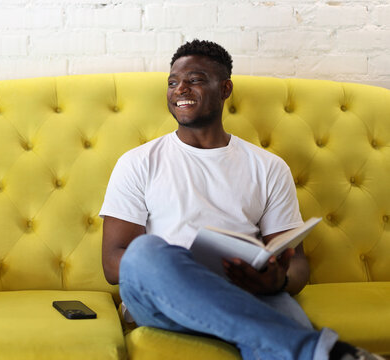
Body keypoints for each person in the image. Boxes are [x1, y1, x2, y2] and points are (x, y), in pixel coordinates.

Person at [99, 40, 382, 360]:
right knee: (144, 252)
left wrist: (280, 279)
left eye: (194, 80)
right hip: (167, 297)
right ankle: (317, 350)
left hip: (251, 292)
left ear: (225, 88)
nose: (180, 89)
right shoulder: (138, 162)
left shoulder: (268, 167)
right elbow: (114, 263)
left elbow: (298, 263)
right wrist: (186, 267)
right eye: (173, 82)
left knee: (272, 332)